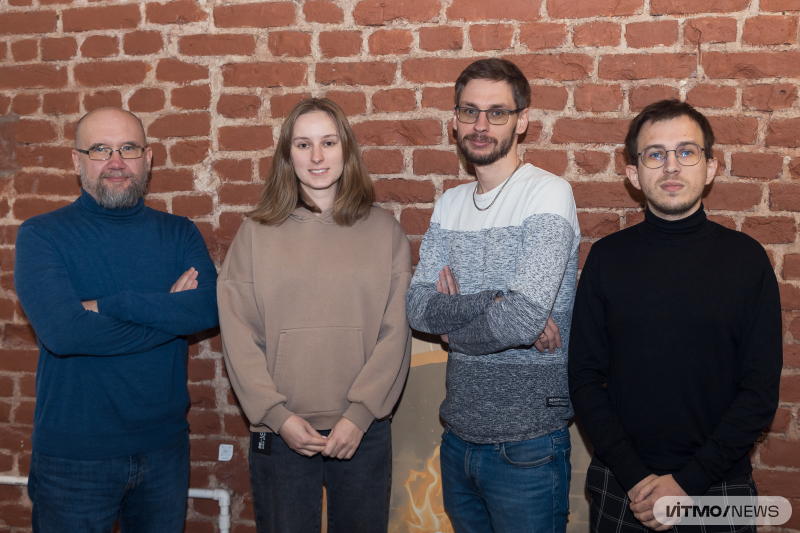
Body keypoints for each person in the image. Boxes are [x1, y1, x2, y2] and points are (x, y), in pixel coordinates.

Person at [569, 99, 782, 533]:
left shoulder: (747, 261)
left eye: (687, 152)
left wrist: (687, 484)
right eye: (655, 154)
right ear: (634, 173)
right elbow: (584, 378)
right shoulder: (607, 259)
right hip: (625, 485)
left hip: (718, 487)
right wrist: (636, 476)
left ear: (711, 167)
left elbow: (759, 393)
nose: (671, 166)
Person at [14, 107, 219, 532]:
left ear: (149, 157)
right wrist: (167, 313)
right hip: (74, 457)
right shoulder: (42, 235)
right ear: (76, 161)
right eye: (100, 149)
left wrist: (107, 304)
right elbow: (64, 332)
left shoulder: (179, 232)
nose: (115, 161)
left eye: (128, 148)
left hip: (164, 449)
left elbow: (208, 309)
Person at [217, 97, 412, 533]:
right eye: (303, 144)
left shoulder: (384, 231)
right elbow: (238, 334)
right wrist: (277, 416)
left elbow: (395, 334)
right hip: (281, 429)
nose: (317, 156)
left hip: (362, 430)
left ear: (347, 150)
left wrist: (360, 414)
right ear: (288, 155)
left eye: (328, 142)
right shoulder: (255, 233)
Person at [406, 58, 581, 533]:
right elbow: (418, 307)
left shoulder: (548, 194)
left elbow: (523, 319)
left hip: (528, 443)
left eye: (497, 113)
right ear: (455, 119)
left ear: (522, 120)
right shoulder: (449, 203)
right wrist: (494, 300)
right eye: (469, 111)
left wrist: (452, 335)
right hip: (458, 434)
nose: (481, 125)